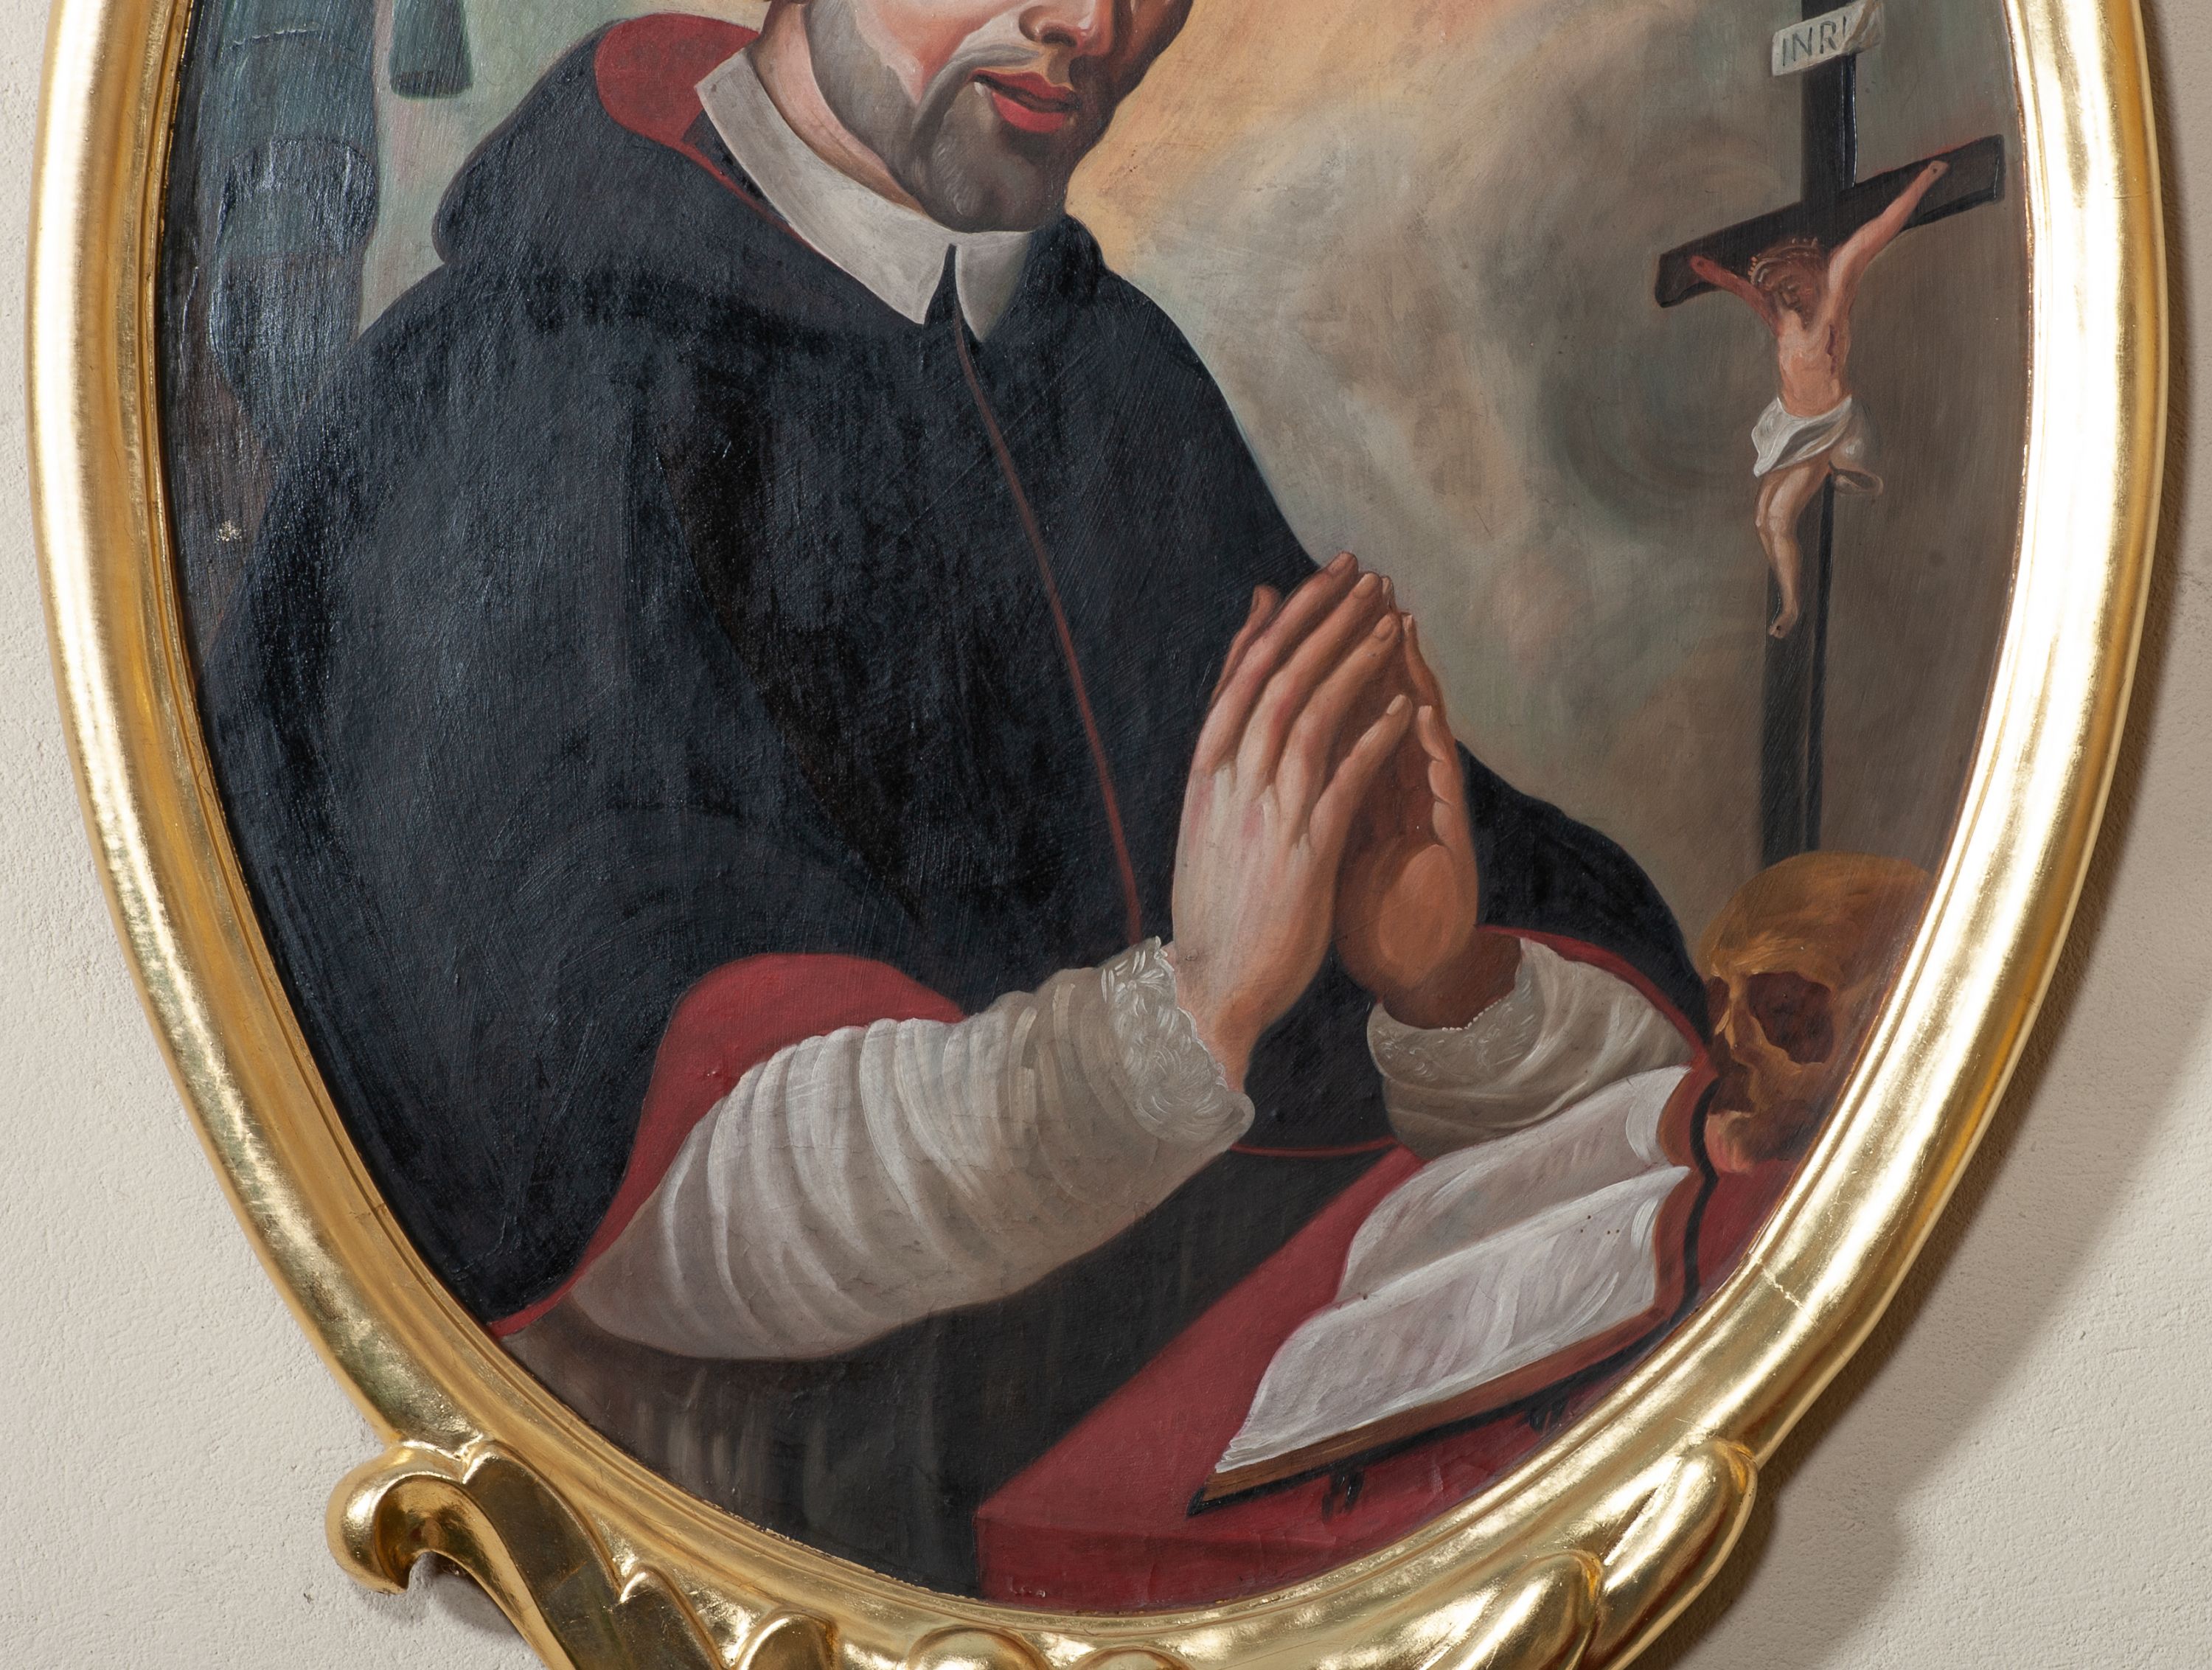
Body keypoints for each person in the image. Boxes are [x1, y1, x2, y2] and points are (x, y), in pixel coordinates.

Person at [203, 0, 1703, 1591]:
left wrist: (1448, 987)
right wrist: (1193, 1010)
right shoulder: (514, 391)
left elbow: (1417, 927)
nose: (1090, 23)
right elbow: (621, 1186)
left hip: (1224, 1424)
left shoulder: (1104, 368)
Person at [1691, 158, 1949, 637]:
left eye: (1790, 282)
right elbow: (1747, 292)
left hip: (1825, 425)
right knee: (1762, 520)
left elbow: (1876, 233)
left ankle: (1791, 607)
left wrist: (1923, 182)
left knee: (1780, 516)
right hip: (1788, 425)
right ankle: (1791, 587)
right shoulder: (1783, 316)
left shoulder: (1833, 295)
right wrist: (1713, 274)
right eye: (1778, 290)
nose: (1785, 294)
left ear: (1809, 269)